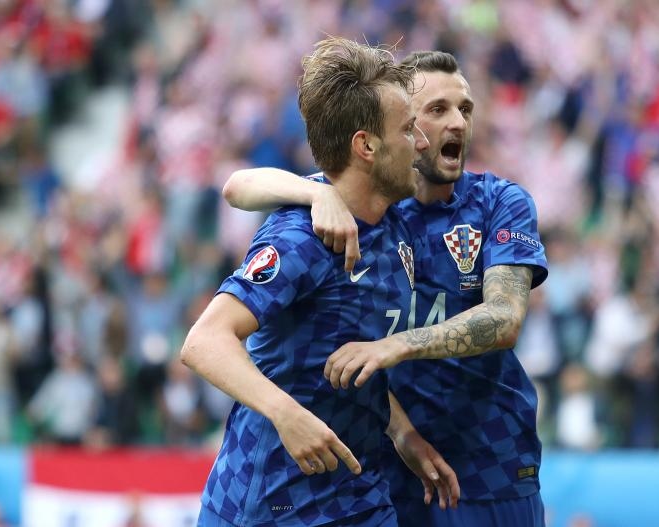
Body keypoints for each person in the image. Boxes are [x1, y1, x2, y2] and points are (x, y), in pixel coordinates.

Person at [223, 51, 549, 526]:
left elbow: (504, 319)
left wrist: (393, 347)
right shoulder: (375, 206)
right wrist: (316, 192)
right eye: (436, 110)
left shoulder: (499, 203)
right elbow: (238, 185)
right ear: (398, 127)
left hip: (488, 461)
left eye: (465, 109)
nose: (457, 123)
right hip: (387, 462)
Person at [181, 38, 458, 527]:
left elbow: (353, 360)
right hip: (270, 505)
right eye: (407, 128)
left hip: (359, 497)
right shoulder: (302, 239)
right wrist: (285, 414)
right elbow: (204, 341)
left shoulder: (392, 223)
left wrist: (401, 432)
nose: (420, 142)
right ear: (366, 146)